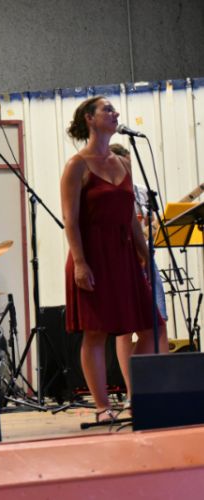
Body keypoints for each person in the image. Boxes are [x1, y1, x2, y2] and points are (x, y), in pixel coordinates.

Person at [60, 96, 162, 422]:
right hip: (92, 255)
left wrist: (144, 254)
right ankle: (103, 407)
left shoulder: (124, 164)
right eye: (107, 109)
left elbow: (130, 217)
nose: (115, 113)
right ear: (89, 118)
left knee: (153, 327)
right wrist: (80, 262)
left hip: (124, 255)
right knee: (96, 333)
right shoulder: (77, 165)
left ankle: (136, 397)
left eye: (114, 109)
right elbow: (70, 220)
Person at [110, 143, 169, 406]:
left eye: (129, 165)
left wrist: (151, 233)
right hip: (120, 266)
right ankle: (132, 392)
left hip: (147, 263)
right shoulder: (108, 195)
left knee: (159, 323)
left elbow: (153, 228)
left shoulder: (143, 193)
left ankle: (164, 387)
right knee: (124, 331)